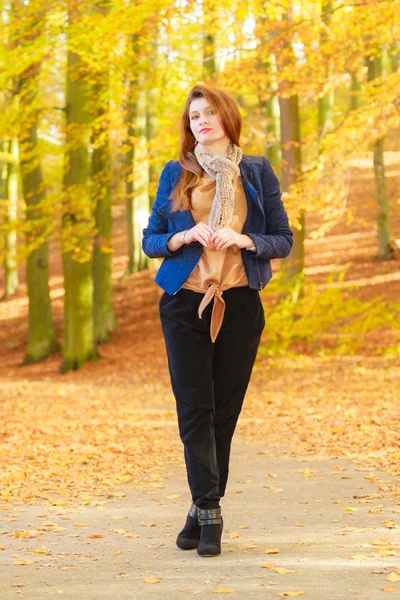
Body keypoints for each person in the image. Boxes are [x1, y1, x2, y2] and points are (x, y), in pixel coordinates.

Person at [142, 83, 293, 557]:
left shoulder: (256, 171)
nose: (200, 122)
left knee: (223, 414)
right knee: (195, 410)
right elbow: (150, 240)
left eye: (208, 113)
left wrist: (244, 240)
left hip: (240, 304)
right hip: (185, 305)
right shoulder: (175, 173)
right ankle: (210, 511)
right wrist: (183, 235)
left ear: (227, 116)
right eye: (193, 117)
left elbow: (282, 238)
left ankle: (197, 509)